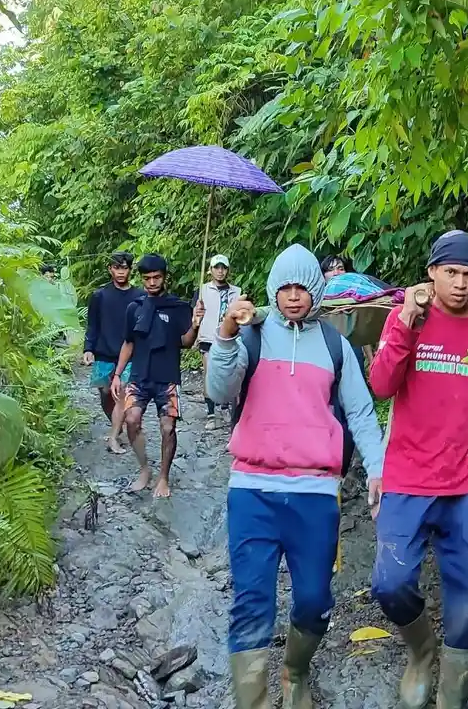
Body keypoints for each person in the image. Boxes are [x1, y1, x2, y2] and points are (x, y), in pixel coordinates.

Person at [205, 243, 384, 709]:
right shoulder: (253, 336)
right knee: (251, 603)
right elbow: (219, 392)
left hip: (315, 494)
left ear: (316, 289)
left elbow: (361, 412)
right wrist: (225, 335)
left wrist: (378, 469)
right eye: (283, 287)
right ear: (272, 289)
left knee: (314, 600)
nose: (292, 296)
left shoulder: (334, 345)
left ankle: (296, 671)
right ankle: (254, 700)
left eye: (301, 286)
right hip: (252, 491)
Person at [368, 230, 468, 709]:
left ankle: (453, 694)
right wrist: (406, 319)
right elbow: (382, 384)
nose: (461, 283)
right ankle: (421, 648)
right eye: (451, 272)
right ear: (431, 273)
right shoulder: (406, 318)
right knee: (390, 582)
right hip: (410, 472)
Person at [110, 253, 200, 498]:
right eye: (147, 278)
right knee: (131, 420)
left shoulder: (178, 307)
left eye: (156, 277)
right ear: (141, 279)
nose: (152, 282)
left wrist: (195, 325)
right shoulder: (134, 308)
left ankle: (163, 477)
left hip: (167, 375)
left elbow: (186, 342)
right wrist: (118, 374)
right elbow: (128, 343)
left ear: (164, 277)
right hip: (139, 375)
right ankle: (144, 469)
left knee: (168, 427)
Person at [82, 252, 145, 454]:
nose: (120, 272)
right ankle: (116, 428)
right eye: (117, 268)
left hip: (129, 355)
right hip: (104, 352)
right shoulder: (99, 296)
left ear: (130, 270)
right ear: (110, 269)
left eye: (124, 268)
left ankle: (113, 438)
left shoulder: (140, 297)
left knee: (121, 393)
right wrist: (88, 348)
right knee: (105, 394)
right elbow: (93, 324)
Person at [195, 254, 242, 430]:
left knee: (229, 374)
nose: (220, 271)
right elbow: (195, 315)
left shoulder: (236, 291)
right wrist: (196, 320)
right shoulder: (203, 290)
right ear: (211, 270)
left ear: (227, 270)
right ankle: (211, 413)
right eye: (217, 268)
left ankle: (228, 409)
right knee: (209, 375)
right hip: (208, 337)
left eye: (223, 268)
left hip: (229, 337)